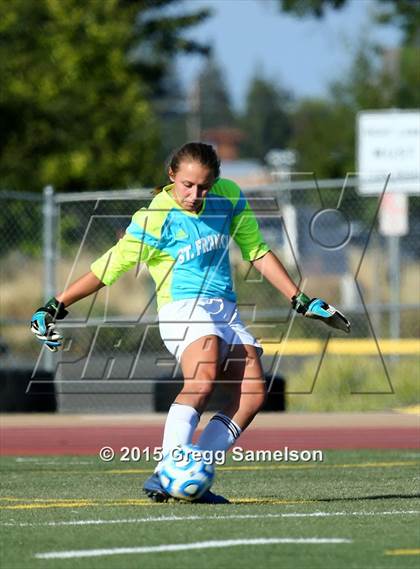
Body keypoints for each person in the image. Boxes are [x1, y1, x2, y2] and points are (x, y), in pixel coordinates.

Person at [30, 142, 350, 504]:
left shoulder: (228, 196)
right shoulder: (155, 217)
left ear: (216, 181)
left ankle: (192, 476)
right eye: (187, 185)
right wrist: (55, 305)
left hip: (224, 309)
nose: (195, 194)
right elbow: (107, 268)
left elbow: (257, 250)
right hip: (181, 307)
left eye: (204, 186)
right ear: (171, 176)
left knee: (252, 393)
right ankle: (168, 469)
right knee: (205, 372)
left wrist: (299, 298)